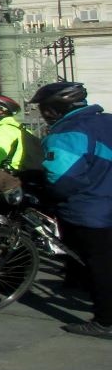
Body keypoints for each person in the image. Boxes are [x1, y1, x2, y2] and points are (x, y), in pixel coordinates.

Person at [28, 81, 112, 339]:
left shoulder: (66, 133)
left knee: (100, 266)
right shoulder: (106, 121)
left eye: (44, 108)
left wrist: (41, 189)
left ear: (54, 109)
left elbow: (64, 180)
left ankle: (105, 322)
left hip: (91, 209)